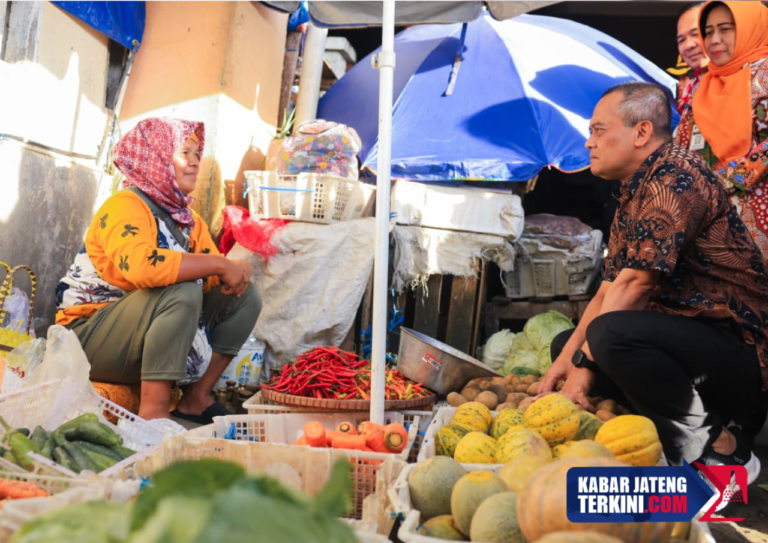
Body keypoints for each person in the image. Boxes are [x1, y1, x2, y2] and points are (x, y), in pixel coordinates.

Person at [539, 83, 767, 486]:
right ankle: (660, 436)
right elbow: (610, 288)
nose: (589, 142)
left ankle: (723, 446)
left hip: (744, 354)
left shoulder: (675, 176)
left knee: (608, 336)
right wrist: (566, 365)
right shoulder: (636, 188)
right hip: (696, 347)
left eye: (598, 130)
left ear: (641, 132)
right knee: (568, 346)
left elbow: (637, 286)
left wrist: (584, 369)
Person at [55, 117, 261, 424]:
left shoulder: (187, 219)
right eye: (184, 153)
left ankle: (195, 398)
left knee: (244, 297)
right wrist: (221, 264)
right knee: (180, 288)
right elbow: (143, 268)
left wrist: (234, 269)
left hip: (140, 338)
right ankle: (153, 414)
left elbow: (214, 280)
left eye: (196, 154)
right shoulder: (124, 206)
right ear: (156, 159)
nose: (195, 162)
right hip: (87, 341)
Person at [685, 1, 768, 259]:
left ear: (750, 28)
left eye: (725, 29)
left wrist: (727, 180)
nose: (714, 40)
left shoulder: (764, 76)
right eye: (708, 32)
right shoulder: (702, 86)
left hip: (757, 225)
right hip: (706, 225)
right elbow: (683, 146)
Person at [673, 3, 710, 117]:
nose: (688, 45)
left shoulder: (750, 81)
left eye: (695, 34)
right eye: (681, 40)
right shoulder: (689, 91)